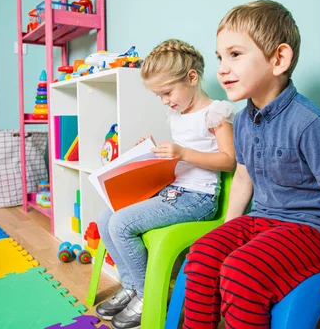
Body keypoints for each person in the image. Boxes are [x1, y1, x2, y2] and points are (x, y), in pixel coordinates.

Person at [183, 0, 320, 329]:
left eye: (235, 54)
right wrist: (227, 230)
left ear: (278, 59)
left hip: (311, 232)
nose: (222, 68)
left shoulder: (308, 122)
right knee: (202, 254)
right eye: (220, 57)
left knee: (240, 272)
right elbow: (242, 179)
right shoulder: (241, 121)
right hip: (263, 221)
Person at [96, 39, 236, 329]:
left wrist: (182, 153)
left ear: (192, 78)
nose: (165, 100)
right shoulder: (176, 114)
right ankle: (132, 286)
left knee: (121, 224)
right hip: (173, 191)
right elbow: (177, 159)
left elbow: (229, 160)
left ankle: (148, 297)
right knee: (106, 216)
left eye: (167, 92)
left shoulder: (216, 113)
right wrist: (153, 150)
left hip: (199, 198)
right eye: (159, 95)